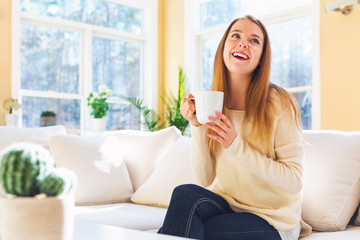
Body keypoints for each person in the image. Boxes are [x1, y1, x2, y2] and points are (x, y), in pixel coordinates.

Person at [157, 15, 312, 240]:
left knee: (188, 228)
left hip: (272, 220)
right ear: (224, 48)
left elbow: (294, 181)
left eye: (254, 40)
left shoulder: (279, 103)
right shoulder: (214, 102)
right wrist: (197, 125)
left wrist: (235, 145)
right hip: (228, 205)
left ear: (261, 58)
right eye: (236, 36)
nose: (243, 43)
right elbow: (204, 179)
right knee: (184, 194)